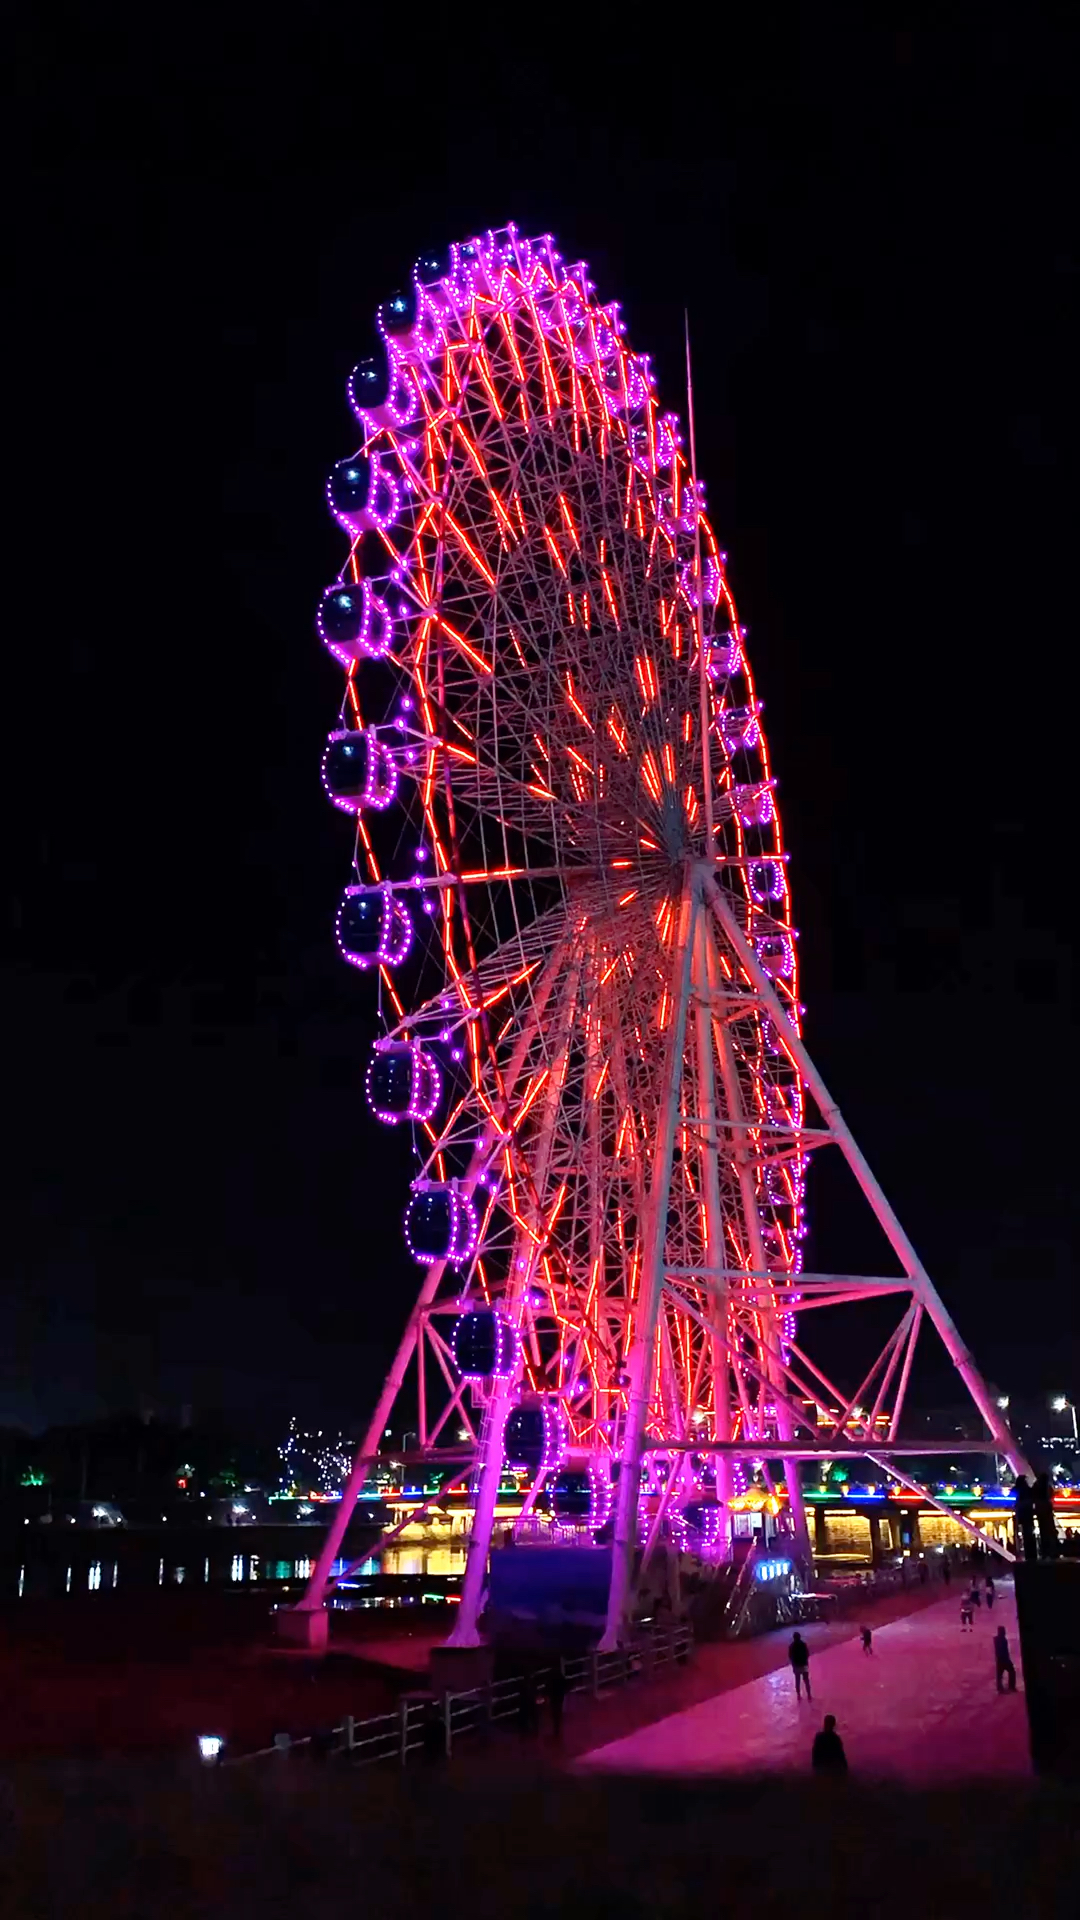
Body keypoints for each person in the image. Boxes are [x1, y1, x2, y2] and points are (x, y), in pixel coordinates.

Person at [1033, 1473, 1059, 1560]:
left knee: (1043, 1530)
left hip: (1040, 1508)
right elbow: (1051, 1494)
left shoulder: (1036, 1486)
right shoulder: (1047, 1487)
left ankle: (1045, 1551)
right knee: (1049, 1529)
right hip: (1046, 1508)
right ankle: (1053, 1550)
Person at [1014, 1475, 1038, 1560]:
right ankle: (1032, 1554)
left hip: (1023, 1514)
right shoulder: (1028, 1491)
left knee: (1026, 1534)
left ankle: (1029, 1554)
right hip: (1028, 1514)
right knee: (1030, 1534)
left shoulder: (1019, 1491)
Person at [547, 1658, 567, 1739]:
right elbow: (565, 1684)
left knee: (554, 1713)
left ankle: (556, 1730)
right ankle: (557, 1730)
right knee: (557, 1713)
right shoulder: (559, 1675)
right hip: (559, 1696)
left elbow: (548, 1686)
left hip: (554, 1696)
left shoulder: (551, 1674)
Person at [789, 1630, 812, 1700]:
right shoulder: (803, 1644)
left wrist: (793, 1664)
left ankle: (798, 1695)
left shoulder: (791, 1646)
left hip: (796, 1666)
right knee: (806, 1680)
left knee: (797, 1680)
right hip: (804, 1664)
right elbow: (807, 1654)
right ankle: (809, 1695)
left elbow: (790, 1656)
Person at [993, 1625, 1017, 1693]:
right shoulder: (1003, 1639)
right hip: (1004, 1659)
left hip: (999, 1659)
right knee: (1011, 1671)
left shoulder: (996, 1639)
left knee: (999, 1675)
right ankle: (1011, 1687)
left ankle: (1000, 1688)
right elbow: (1004, 1650)